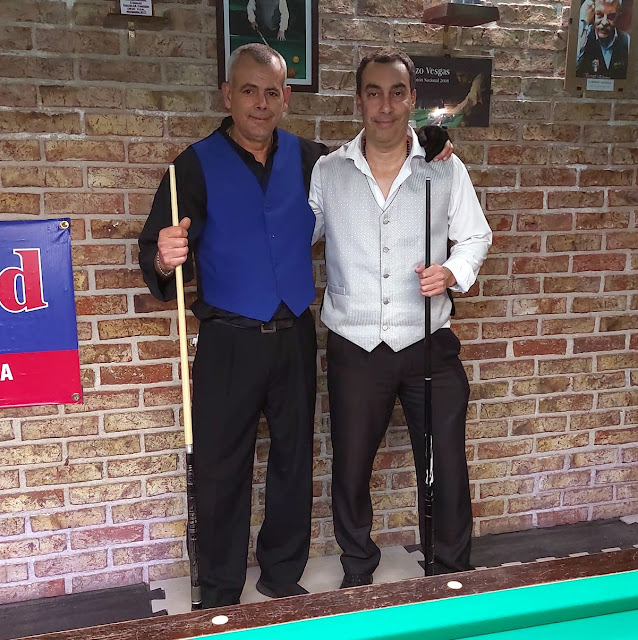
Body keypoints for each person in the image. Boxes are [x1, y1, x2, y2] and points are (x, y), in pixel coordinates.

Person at [138, 43, 451, 608]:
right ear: (227, 96)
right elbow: (157, 255)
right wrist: (164, 258)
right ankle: (220, 587)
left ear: (286, 97)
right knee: (221, 468)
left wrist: (429, 142)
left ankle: (282, 574)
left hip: (294, 335)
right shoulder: (191, 167)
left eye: (272, 92)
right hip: (228, 340)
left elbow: (375, 160)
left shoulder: (315, 161)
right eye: (249, 90)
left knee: (293, 461)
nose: (261, 103)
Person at [309, 47, 492, 587]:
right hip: (354, 343)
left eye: (396, 93)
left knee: (445, 464)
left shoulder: (443, 167)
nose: (385, 106)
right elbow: (297, 234)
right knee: (351, 465)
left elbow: (476, 235)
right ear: (358, 100)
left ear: (412, 99)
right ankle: (357, 568)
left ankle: (450, 572)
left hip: (428, 340)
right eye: (374, 93)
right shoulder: (329, 171)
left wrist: (452, 271)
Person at [576, 0, 630, 79]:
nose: (604, 22)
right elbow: (573, 69)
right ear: (593, 15)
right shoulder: (583, 37)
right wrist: (584, 23)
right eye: (599, 15)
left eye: (611, 16)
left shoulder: (626, 40)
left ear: (618, 16)